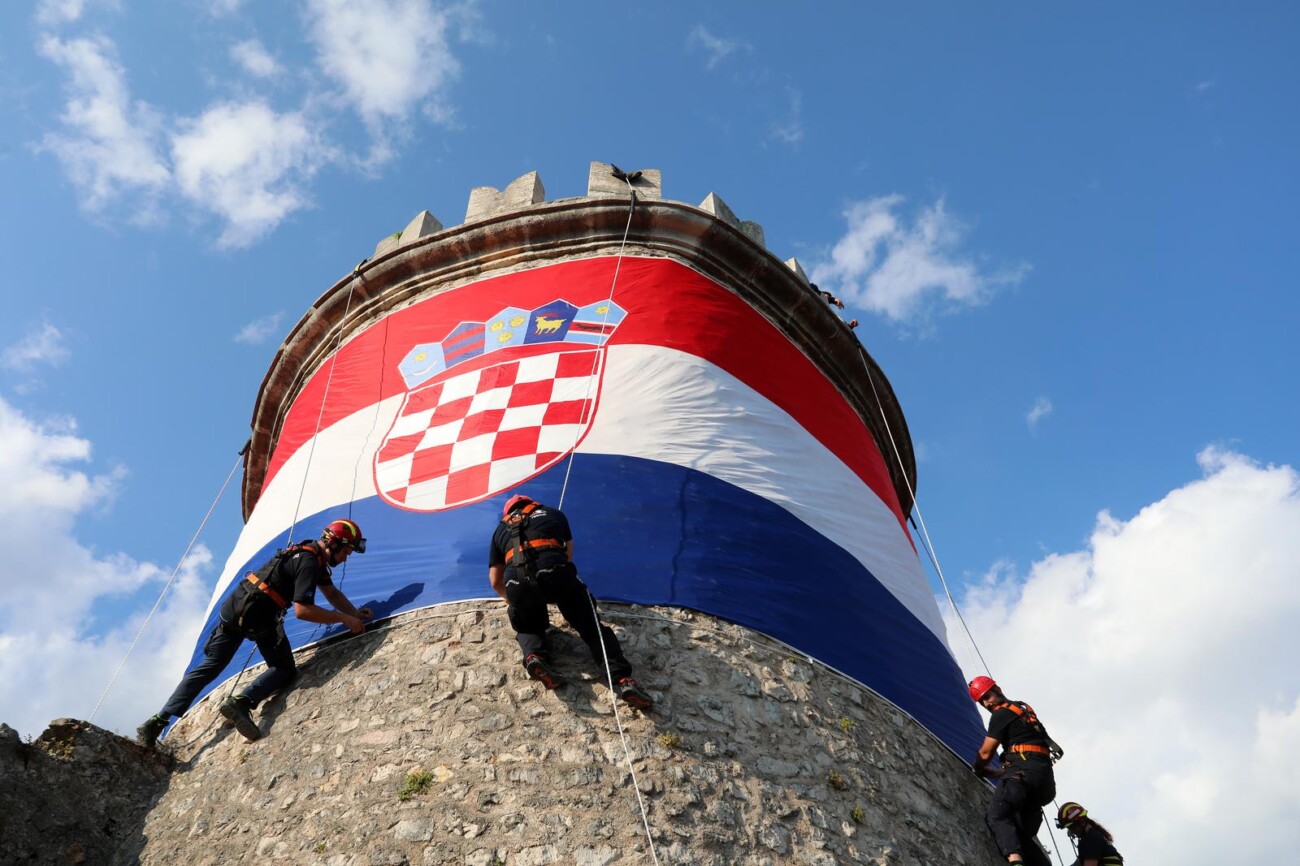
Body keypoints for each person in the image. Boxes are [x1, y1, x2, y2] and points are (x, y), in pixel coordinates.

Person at [136, 519, 373, 747]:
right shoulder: (310, 563)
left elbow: (332, 594)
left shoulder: (306, 552)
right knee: (284, 668)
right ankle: (242, 702)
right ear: (334, 543)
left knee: (210, 667)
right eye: (346, 552)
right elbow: (303, 611)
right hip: (260, 614)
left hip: (235, 606)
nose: (345, 558)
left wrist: (353, 612)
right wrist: (343, 618)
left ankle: (158, 720)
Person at [488, 494, 652, 709]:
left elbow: (494, 580)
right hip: (554, 571)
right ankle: (623, 680)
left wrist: (512, 601)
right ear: (532, 504)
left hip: (516, 581)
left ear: (508, 512)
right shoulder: (553, 513)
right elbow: (568, 556)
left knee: (528, 623)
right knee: (592, 628)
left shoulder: (500, 529)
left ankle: (534, 657)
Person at [969, 675, 1061, 866]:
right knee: (1020, 834)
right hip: (1042, 783)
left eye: (987, 696)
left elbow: (986, 752)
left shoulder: (1001, 714)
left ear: (998, 689)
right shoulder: (1023, 709)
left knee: (998, 815)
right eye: (982, 701)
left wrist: (978, 767)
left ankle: (1015, 863)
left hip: (1023, 775)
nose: (987, 703)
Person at [1056, 802, 1124, 866]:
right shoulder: (1094, 835)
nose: (1072, 831)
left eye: (1072, 827)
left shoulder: (1090, 838)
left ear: (1081, 821)